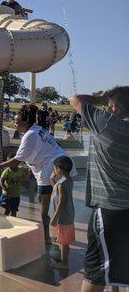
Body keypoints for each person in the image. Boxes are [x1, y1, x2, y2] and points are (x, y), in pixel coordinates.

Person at [69, 87, 129, 291]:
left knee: (95, 272)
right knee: (123, 269)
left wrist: (102, 98)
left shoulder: (106, 124)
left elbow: (75, 100)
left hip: (109, 210)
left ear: (112, 107)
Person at [0, 104, 75, 244]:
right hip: (63, 163)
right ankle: (60, 237)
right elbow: (39, 152)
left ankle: (47, 239)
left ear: (25, 121)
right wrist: (29, 168)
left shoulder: (29, 135)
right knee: (60, 203)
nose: (15, 123)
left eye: (17, 120)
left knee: (45, 208)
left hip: (51, 169)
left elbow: (15, 162)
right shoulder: (38, 129)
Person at [49, 156, 75, 270]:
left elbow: (61, 202)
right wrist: (52, 180)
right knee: (63, 240)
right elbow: (57, 192)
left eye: (55, 168)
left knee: (63, 242)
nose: (54, 170)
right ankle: (64, 260)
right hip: (68, 215)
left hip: (62, 217)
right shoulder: (68, 180)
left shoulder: (61, 184)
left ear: (59, 169)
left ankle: (64, 263)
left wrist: (55, 217)